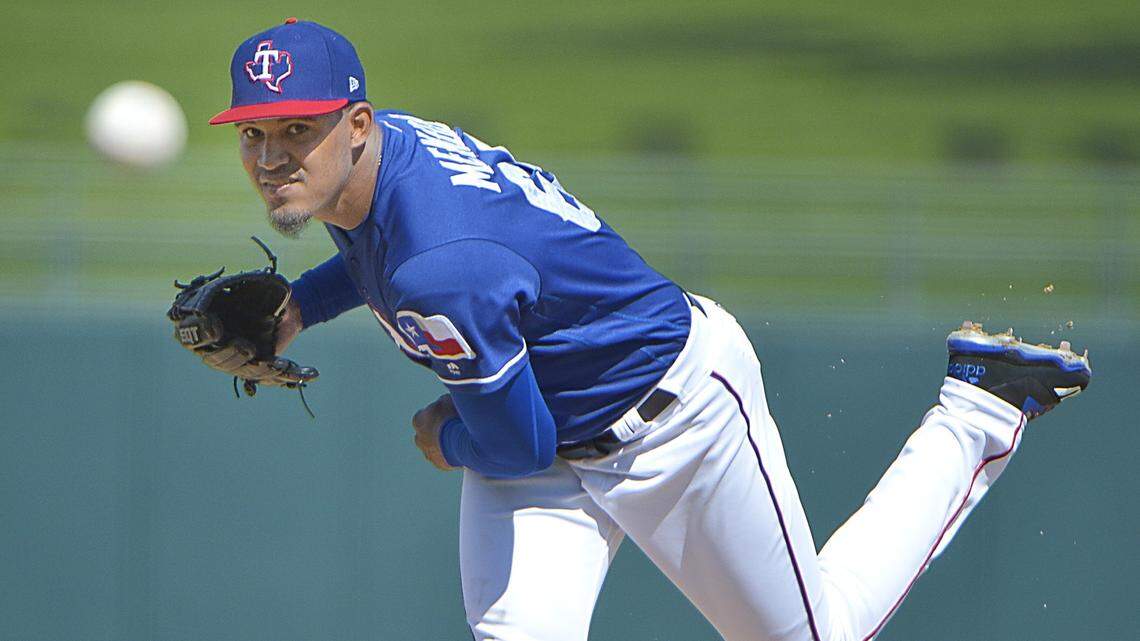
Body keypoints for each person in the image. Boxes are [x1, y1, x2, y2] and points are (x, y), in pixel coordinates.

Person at [206, 18, 1091, 641]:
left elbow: (510, 441)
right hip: (538, 417)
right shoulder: (382, 155)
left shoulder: (441, 260)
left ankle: (979, 409)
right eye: (254, 132)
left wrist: (446, 432)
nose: (274, 154)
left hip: (671, 422)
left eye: (299, 129)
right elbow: (383, 253)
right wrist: (296, 310)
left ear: (356, 125)